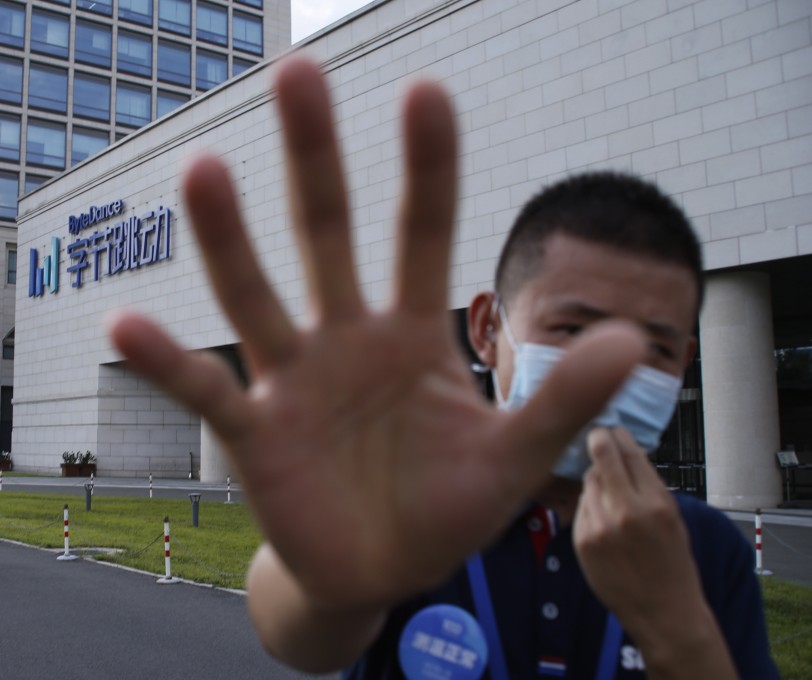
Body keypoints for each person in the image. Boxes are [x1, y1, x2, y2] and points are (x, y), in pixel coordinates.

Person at [108, 57, 778, 679]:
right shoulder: (424, 501)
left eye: (652, 348)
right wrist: (330, 579)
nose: (603, 375)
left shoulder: (709, 548)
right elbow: (297, 632)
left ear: (687, 363)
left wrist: (678, 628)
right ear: (488, 328)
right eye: (572, 329)